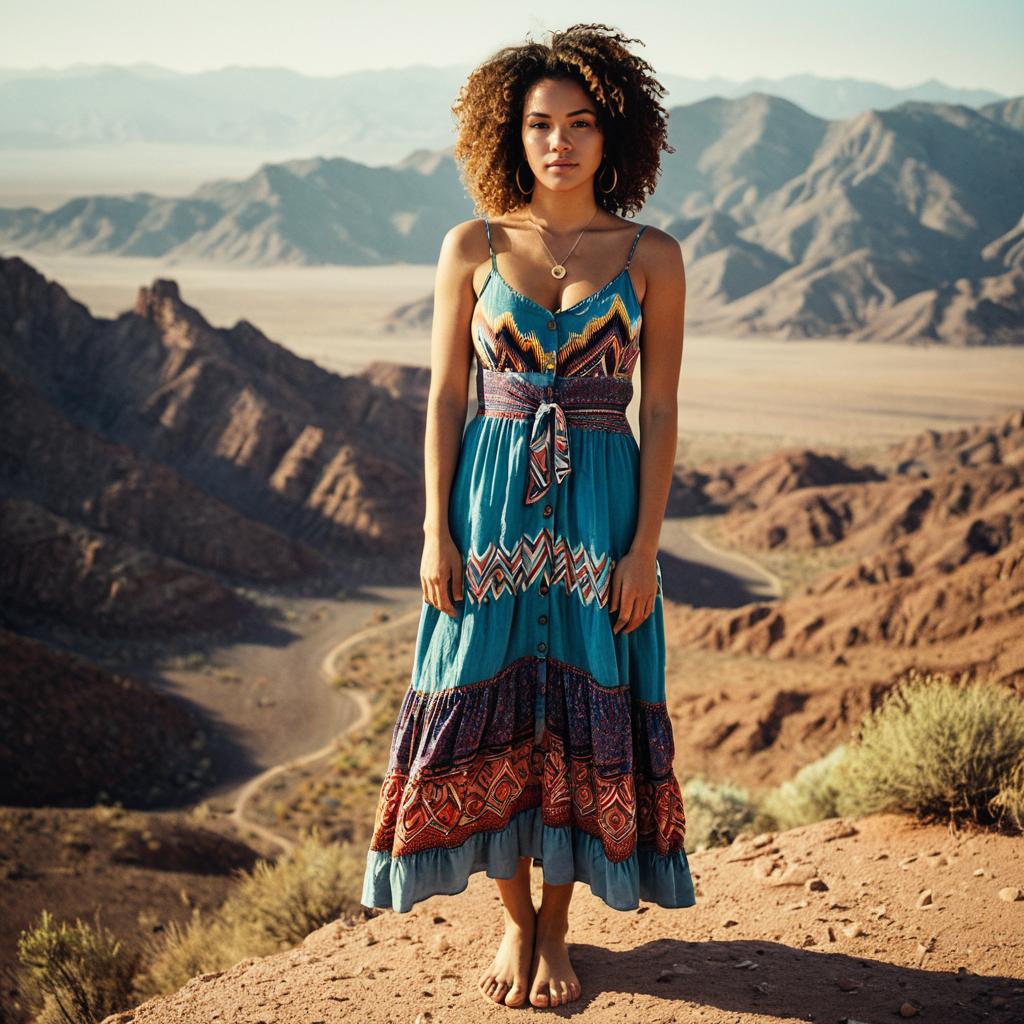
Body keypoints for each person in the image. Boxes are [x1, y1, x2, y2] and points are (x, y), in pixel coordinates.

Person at [361, 22, 695, 1010]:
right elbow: (441, 397)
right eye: (541, 123)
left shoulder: (652, 256)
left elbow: (664, 407)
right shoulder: (471, 245)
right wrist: (434, 530)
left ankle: (557, 925)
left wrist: (643, 548)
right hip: (489, 502)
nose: (559, 142)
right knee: (476, 693)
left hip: (600, 507)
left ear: (612, 133)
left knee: (579, 704)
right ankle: (511, 916)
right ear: (511, 133)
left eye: (580, 123)